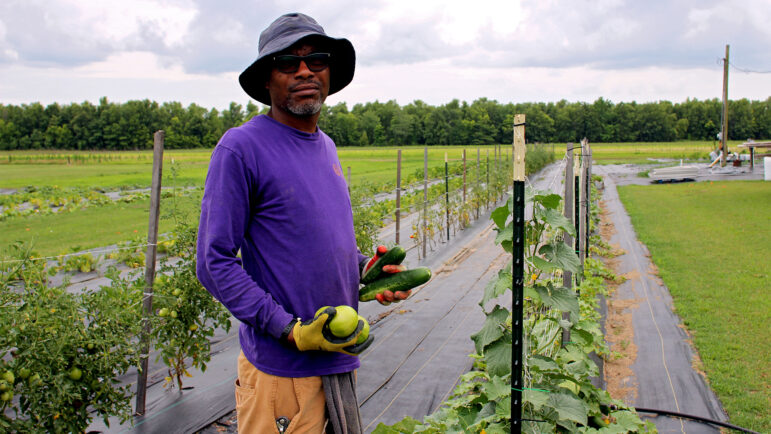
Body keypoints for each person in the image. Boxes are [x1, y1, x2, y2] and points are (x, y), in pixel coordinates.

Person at [196, 13, 413, 434]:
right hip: (283, 373)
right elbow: (213, 261)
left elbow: (316, 242)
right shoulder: (241, 148)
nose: (304, 71)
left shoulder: (325, 146)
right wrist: (289, 330)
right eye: (286, 62)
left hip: (337, 358)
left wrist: (366, 269)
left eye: (316, 59)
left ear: (329, 72)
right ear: (266, 79)